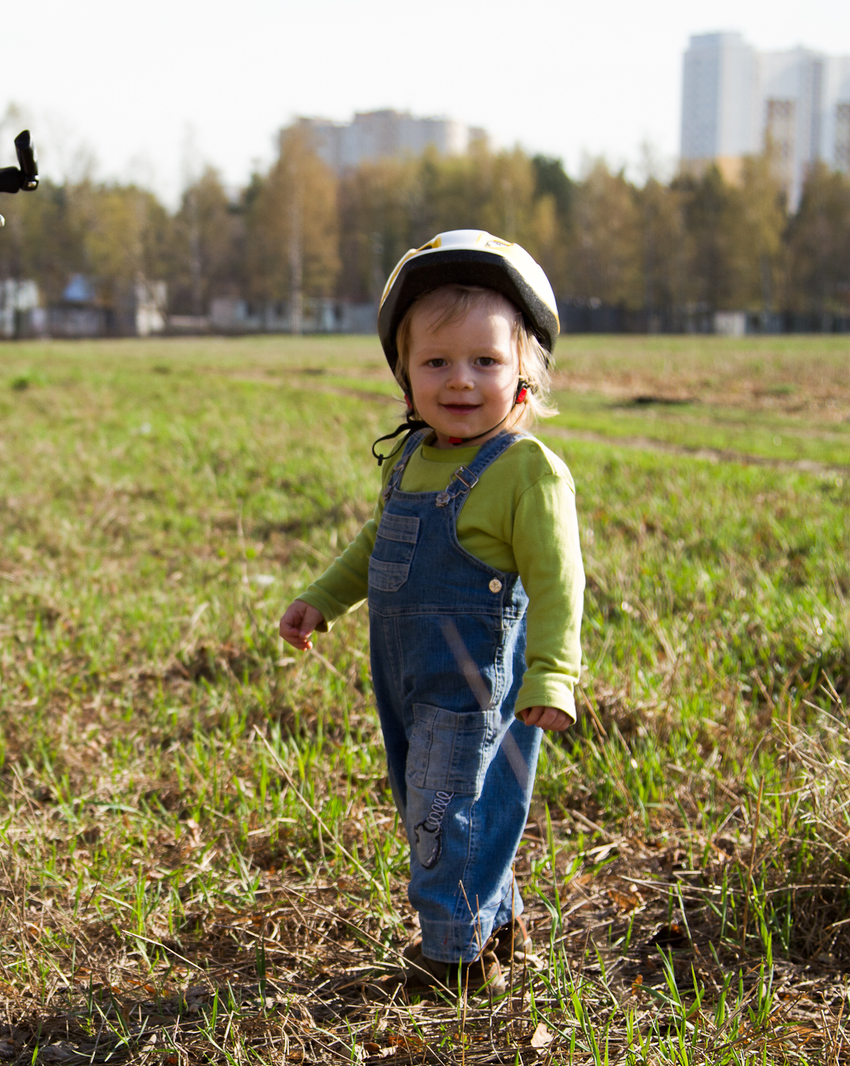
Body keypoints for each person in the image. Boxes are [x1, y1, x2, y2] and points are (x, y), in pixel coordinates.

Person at [278, 230, 584, 995]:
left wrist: (553, 674)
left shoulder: (525, 472)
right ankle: (496, 921)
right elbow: (377, 543)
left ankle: (457, 959)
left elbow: (557, 583)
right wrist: (323, 598)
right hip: (408, 677)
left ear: (524, 373)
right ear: (404, 375)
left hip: (475, 686)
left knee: (444, 815)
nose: (460, 380)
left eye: (486, 361)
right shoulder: (411, 458)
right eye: (436, 362)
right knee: (442, 803)